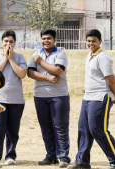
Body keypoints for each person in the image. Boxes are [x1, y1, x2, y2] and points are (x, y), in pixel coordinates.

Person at [67, 30, 115, 169]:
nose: (91, 43)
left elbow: (111, 79)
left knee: (97, 128)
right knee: (84, 129)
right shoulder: (90, 56)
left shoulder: (103, 57)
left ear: (100, 41)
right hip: (88, 97)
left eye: (94, 41)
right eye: (88, 41)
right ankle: (82, 161)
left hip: (101, 97)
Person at [27, 28, 71, 168]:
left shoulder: (60, 53)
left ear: (55, 40)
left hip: (59, 96)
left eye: (49, 38)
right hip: (40, 96)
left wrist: (41, 62)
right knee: (45, 127)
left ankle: (63, 157)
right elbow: (30, 73)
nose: (46, 41)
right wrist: (47, 77)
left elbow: (58, 71)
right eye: (44, 38)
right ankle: (51, 156)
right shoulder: (36, 53)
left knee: (60, 126)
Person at [0, 30, 27, 168]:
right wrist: (5, 58)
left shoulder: (20, 57)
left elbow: (22, 74)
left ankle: (10, 155)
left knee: (13, 130)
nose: (8, 44)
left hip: (16, 100)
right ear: (1, 43)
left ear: (15, 43)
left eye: (11, 42)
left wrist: (11, 59)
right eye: (6, 41)